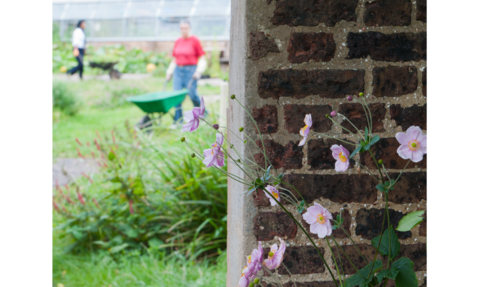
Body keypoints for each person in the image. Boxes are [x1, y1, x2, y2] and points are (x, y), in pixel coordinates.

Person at [166, 20, 207, 123]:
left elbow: (202, 57)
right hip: (178, 71)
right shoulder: (178, 41)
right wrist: (169, 72)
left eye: (186, 28)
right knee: (176, 96)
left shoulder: (195, 40)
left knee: (193, 95)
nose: (184, 30)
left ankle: (203, 114)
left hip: (191, 71)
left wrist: (199, 71)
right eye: (182, 28)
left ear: (189, 29)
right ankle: (178, 121)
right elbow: (175, 59)